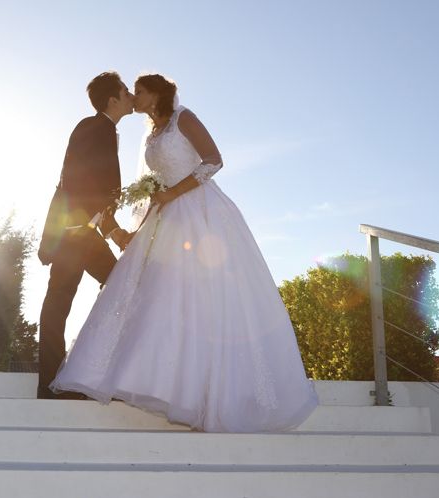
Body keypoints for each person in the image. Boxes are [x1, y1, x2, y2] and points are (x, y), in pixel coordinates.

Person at [51, 73, 319, 432]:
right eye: (131, 91)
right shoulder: (148, 135)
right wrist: (137, 225)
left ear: (156, 93)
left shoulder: (184, 119)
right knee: (155, 294)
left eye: (140, 90)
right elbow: (152, 188)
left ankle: (206, 391)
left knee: (201, 294)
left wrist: (173, 194)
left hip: (200, 213)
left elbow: (213, 161)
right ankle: (149, 378)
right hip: (163, 217)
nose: (135, 95)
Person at [36, 71, 135, 399]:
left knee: (114, 288)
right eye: (125, 91)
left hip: (83, 233)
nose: (131, 95)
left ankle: (82, 372)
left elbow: (97, 192)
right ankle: (55, 381)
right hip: (74, 234)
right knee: (62, 301)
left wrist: (113, 231)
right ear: (113, 99)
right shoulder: (93, 127)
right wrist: (79, 227)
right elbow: (74, 180)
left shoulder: (105, 129)